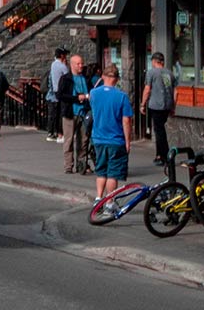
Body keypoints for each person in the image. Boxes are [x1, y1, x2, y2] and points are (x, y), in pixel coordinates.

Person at [88, 63, 133, 206]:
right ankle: (110, 202)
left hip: (98, 138)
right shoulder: (122, 97)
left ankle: (98, 198)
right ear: (117, 79)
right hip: (116, 140)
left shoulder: (94, 94)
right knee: (113, 173)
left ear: (103, 77)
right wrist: (127, 141)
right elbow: (126, 121)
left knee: (101, 170)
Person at [141, 52, 177, 167]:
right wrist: (173, 106)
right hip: (167, 105)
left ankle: (166, 156)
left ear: (154, 61)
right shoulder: (170, 74)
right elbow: (176, 92)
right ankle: (159, 155)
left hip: (156, 105)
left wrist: (142, 104)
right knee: (159, 129)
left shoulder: (152, 73)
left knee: (159, 131)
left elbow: (147, 89)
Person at [63, 53, 91, 174]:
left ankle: (81, 165)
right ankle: (68, 166)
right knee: (69, 140)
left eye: (82, 63)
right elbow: (61, 95)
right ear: (72, 65)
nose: (81, 66)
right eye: (78, 64)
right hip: (70, 113)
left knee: (83, 141)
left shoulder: (85, 78)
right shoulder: (66, 79)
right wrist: (77, 98)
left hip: (83, 113)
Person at [46, 47, 69, 142]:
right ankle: (60, 133)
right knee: (61, 113)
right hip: (62, 91)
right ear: (62, 55)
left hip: (53, 92)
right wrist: (66, 65)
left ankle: (51, 132)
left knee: (54, 113)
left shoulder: (53, 64)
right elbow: (68, 77)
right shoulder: (62, 66)